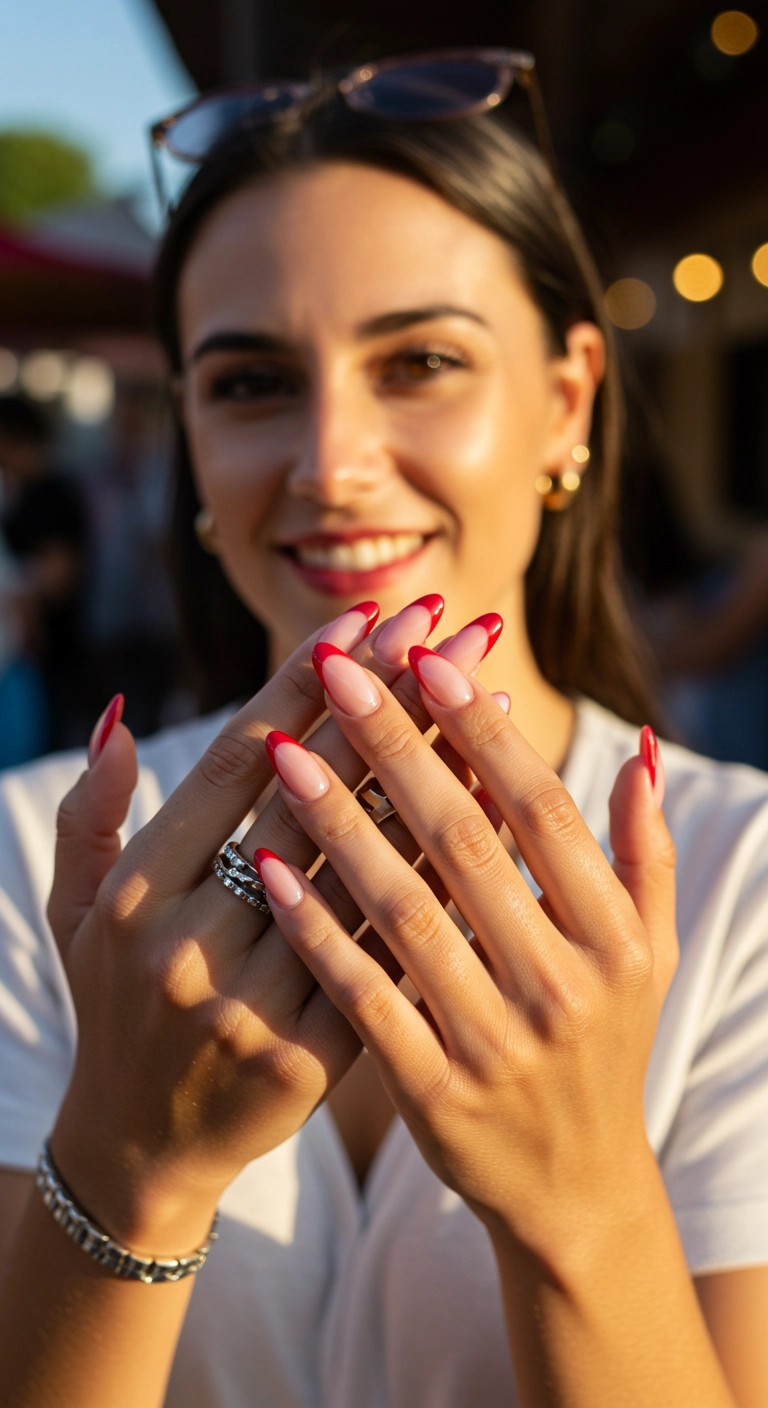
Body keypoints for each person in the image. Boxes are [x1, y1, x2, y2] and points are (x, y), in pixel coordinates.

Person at [0, 51, 767, 1408]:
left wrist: (581, 1200)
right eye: (248, 384)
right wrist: (128, 1172)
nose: (330, 464)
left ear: (568, 400)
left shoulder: (740, 880)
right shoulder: (41, 858)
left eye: (420, 360)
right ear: (186, 430)